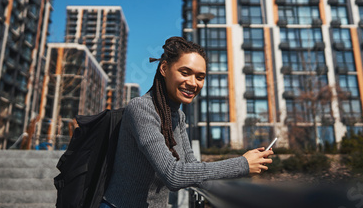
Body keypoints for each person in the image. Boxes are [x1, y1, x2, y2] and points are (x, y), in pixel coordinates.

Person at [101, 36, 274, 208]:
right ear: (164, 68)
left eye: (200, 77)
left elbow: (191, 166)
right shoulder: (142, 108)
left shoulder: (178, 116)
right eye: (185, 73)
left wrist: (245, 192)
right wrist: (242, 164)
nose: (193, 83)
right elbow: (173, 174)